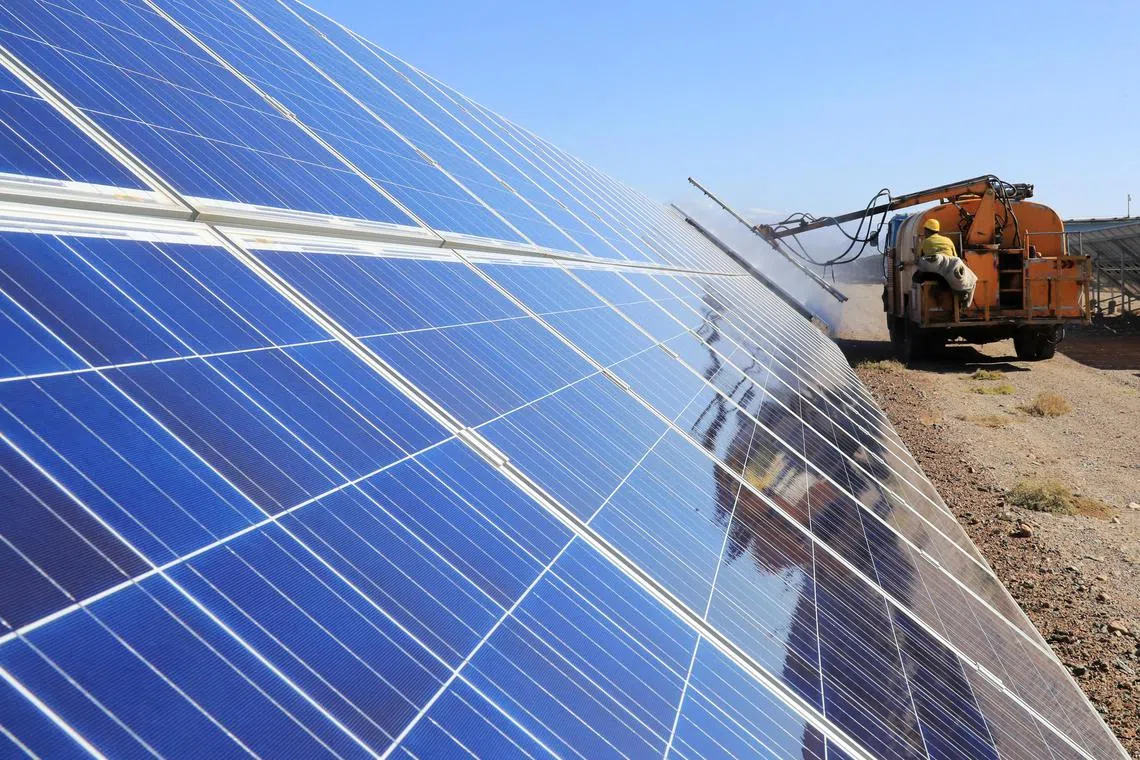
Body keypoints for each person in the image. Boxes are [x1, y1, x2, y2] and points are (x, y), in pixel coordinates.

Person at [916, 218, 977, 308]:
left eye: (925, 230)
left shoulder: (925, 242)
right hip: (950, 273)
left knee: (917, 277)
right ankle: (964, 302)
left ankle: (932, 297)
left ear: (927, 231)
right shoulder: (948, 240)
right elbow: (956, 256)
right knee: (972, 279)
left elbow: (919, 257)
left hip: (935, 274)